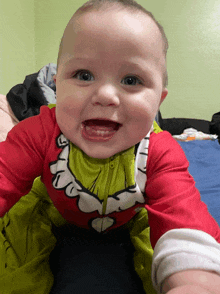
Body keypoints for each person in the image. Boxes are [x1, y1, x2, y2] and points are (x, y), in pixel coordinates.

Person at [1, 0, 220, 293]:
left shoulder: (160, 150)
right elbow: (5, 175)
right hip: (52, 206)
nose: (104, 95)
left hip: (132, 213)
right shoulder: (37, 132)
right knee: (18, 227)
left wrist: (195, 281)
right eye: (83, 75)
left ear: (158, 101)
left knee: (161, 242)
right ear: (57, 86)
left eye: (131, 80)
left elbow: (185, 217)